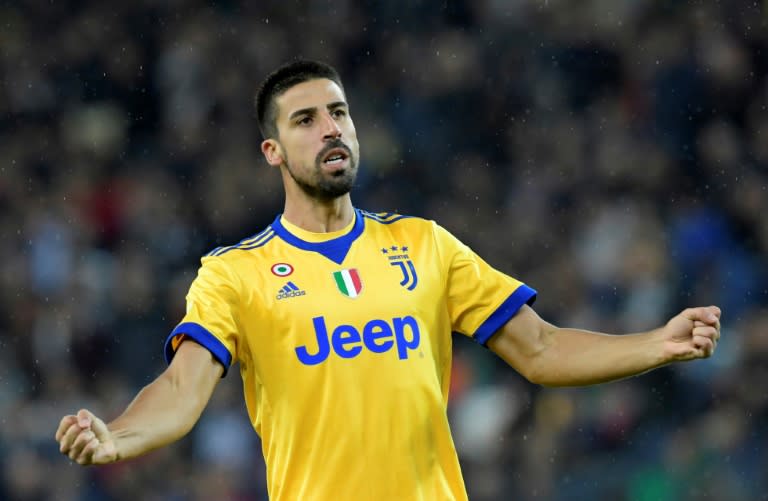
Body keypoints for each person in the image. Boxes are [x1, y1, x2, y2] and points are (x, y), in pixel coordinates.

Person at [55, 60, 721, 501]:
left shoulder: (424, 244)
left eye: (339, 112)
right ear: (273, 151)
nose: (331, 128)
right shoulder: (235, 274)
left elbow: (540, 348)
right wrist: (118, 436)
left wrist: (655, 344)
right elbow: (181, 388)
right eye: (306, 119)